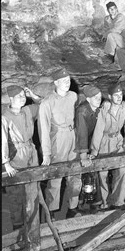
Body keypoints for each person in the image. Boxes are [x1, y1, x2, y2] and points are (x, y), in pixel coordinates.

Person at [38, 69, 82, 220]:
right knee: (56, 178)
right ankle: (50, 211)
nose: (67, 83)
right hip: (58, 139)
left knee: (75, 174)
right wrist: (46, 153)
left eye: (69, 80)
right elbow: (43, 130)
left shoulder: (74, 96)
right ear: (55, 83)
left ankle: (73, 208)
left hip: (73, 137)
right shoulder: (47, 103)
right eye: (63, 81)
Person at [2, 85, 41, 228]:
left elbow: (45, 106)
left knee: (33, 188)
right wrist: (6, 163)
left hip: (31, 152)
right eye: (18, 96)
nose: (22, 99)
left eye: (23, 96)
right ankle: (18, 225)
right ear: (10, 98)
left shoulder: (27, 110)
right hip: (16, 156)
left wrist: (33, 96)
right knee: (16, 192)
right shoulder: (5, 116)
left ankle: (32, 221)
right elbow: (3, 140)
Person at [90, 83, 125, 210]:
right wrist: (94, 149)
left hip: (117, 141)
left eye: (120, 95)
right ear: (109, 96)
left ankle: (118, 201)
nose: (119, 98)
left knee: (122, 170)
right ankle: (104, 202)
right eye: (116, 95)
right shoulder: (105, 108)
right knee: (102, 174)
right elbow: (98, 129)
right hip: (104, 141)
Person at [74, 84, 102, 212]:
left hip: (88, 143)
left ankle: (93, 201)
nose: (99, 99)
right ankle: (77, 204)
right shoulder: (82, 111)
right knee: (79, 173)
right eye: (95, 97)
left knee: (91, 172)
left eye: (100, 97)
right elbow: (82, 133)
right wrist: (84, 155)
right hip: (77, 145)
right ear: (88, 99)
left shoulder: (95, 109)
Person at [102, 1, 125, 84]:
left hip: (124, 41)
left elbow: (116, 30)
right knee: (124, 62)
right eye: (110, 9)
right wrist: (105, 33)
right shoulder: (107, 19)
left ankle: (110, 56)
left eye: (114, 8)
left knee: (111, 35)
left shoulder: (121, 17)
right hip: (118, 45)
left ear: (116, 9)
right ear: (108, 10)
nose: (113, 11)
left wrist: (105, 35)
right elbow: (105, 29)